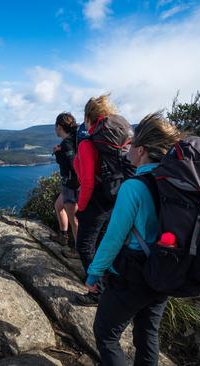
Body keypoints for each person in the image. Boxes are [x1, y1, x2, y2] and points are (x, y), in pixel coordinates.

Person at [85, 111, 184, 366]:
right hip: (164, 269)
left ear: (141, 150)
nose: (126, 147)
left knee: (106, 335)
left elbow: (114, 238)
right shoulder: (176, 181)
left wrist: (94, 273)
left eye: (131, 143)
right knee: (147, 334)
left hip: (133, 275)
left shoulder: (134, 187)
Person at [73, 94, 119, 305]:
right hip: (112, 198)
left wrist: (80, 208)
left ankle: (96, 291)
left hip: (95, 202)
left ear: (88, 118)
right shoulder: (110, 143)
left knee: (84, 246)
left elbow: (88, 182)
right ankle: (108, 285)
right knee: (101, 244)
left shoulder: (87, 144)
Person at [52, 112, 80, 258]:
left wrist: (58, 153)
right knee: (58, 206)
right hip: (71, 184)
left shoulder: (67, 144)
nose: (55, 129)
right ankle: (63, 237)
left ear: (60, 127)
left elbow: (72, 165)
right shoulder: (74, 139)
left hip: (72, 186)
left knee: (73, 219)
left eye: (56, 126)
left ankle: (78, 250)